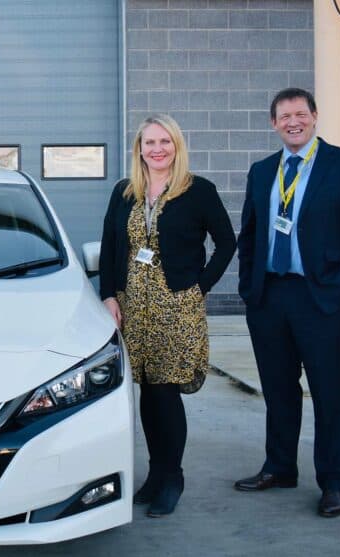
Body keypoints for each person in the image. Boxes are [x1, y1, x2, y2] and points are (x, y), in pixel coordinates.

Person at [234, 88, 340, 518]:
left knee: (329, 393)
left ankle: (335, 481)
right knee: (279, 391)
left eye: (301, 113)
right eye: (284, 115)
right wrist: (249, 289)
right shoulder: (262, 172)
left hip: (321, 297)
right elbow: (250, 235)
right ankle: (279, 467)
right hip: (270, 297)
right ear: (273, 123)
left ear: (315, 117)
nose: (293, 121)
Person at [99, 114, 236, 518]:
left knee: (166, 392)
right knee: (145, 390)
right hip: (132, 306)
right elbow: (110, 247)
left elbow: (227, 243)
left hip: (176, 305)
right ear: (138, 149)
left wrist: (200, 286)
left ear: (177, 146)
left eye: (165, 141)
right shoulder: (124, 192)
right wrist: (108, 296)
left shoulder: (198, 191)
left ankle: (171, 477)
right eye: (149, 142)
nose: (157, 149)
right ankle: (154, 475)